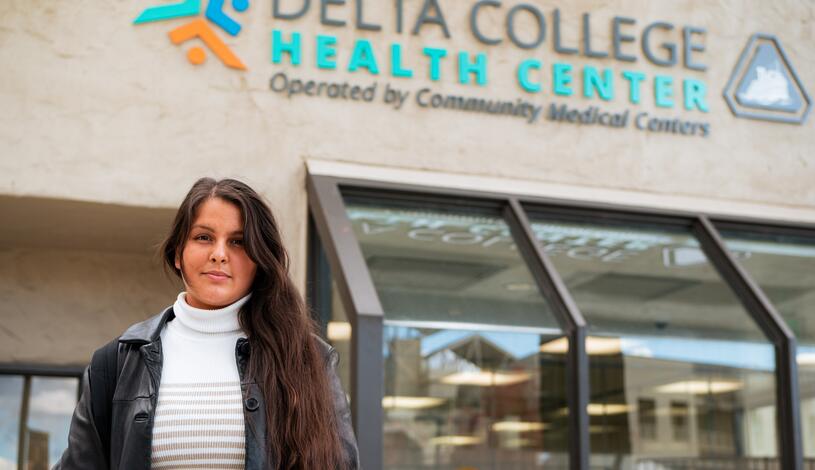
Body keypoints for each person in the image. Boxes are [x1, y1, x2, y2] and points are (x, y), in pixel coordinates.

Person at [54, 177, 359, 469]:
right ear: (177, 253)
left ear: (259, 260)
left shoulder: (307, 359)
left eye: (238, 242)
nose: (219, 254)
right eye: (203, 237)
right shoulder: (116, 363)